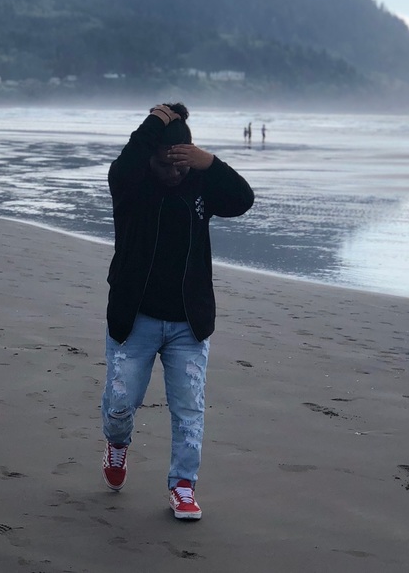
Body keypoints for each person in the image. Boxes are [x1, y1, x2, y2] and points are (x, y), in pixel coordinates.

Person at [101, 103, 254, 520]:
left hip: (189, 323)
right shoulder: (131, 187)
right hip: (135, 319)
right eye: (166, 164)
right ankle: (117, 445)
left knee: (189, 409)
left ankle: (183, 486)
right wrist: (155, 122)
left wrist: (210, 162)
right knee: (119, 405)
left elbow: (243, 199)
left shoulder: (201, 186)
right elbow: (124, 165)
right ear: (150, 157)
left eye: (181, 164)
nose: (174, 173)